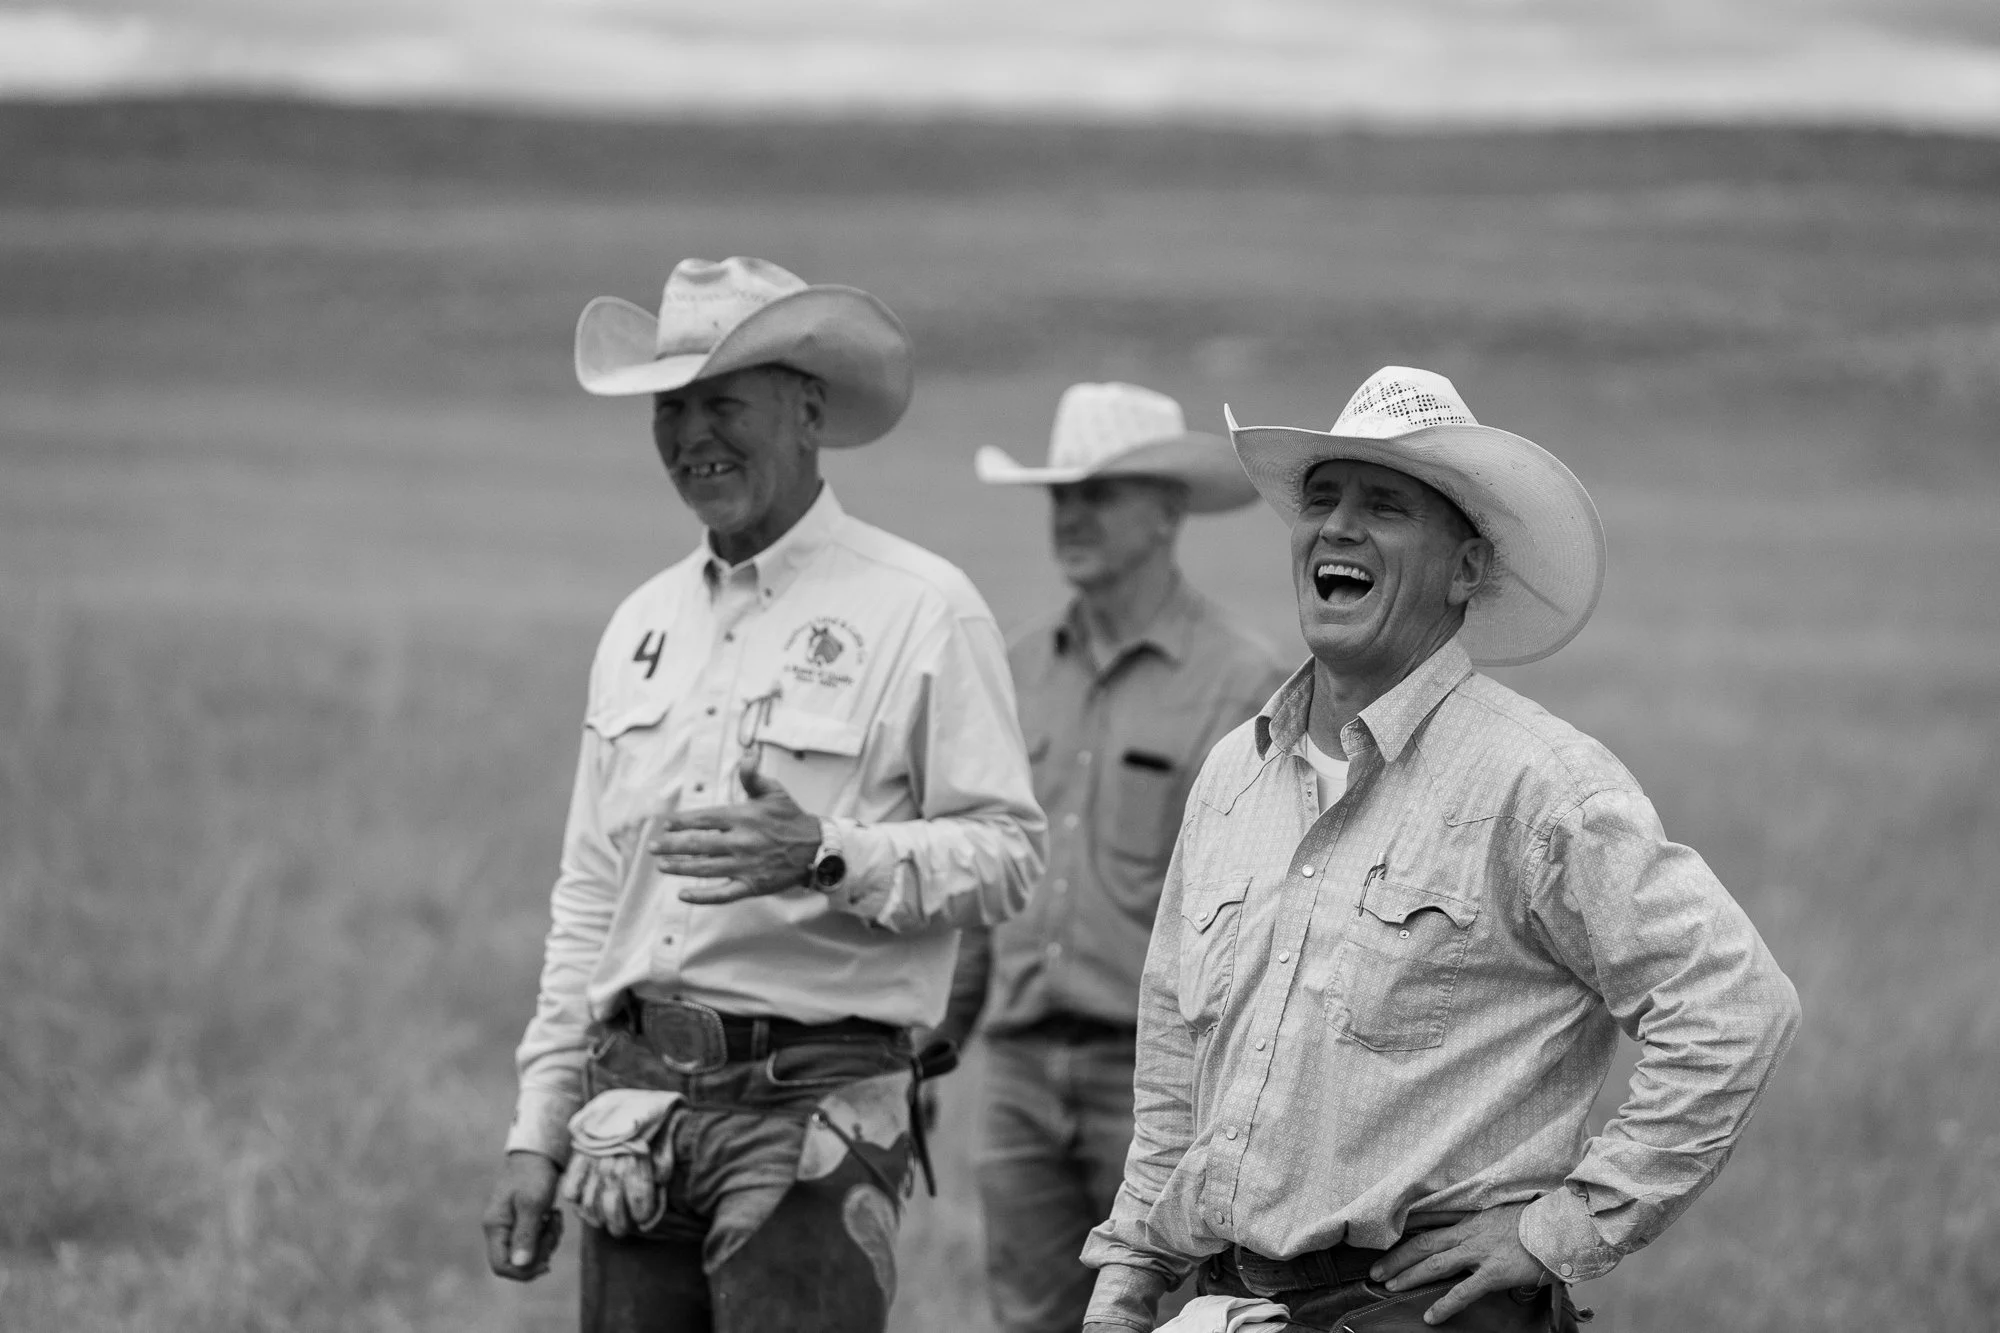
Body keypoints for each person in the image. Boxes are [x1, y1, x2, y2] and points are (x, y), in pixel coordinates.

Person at [1081, 367, 1802, 1332]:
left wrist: (1564, 1226)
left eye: (1385, 505)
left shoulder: (1539, 784)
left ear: (1465, 571)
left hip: (1429, 1311)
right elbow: (1176, 1059)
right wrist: (1127, 1276)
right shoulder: (1234, 775)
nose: (1338, 527)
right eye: (1322, 499)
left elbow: (1735, 1006)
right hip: (1234, 1301)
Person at [480, 255, 1047, 1333]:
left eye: (723, 402)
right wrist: (536, 1130)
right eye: (672, 406)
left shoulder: (921, 609)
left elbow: (1009, 855)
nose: (693, 434)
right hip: (633, 1098)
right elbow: (591, 899)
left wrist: (826, 852)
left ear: (807, 412)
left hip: (814, 1100)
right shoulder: (640, 626)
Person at [943, 383, 1289, 1333]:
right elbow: (987, 871)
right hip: (1016, 1069)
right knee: (1028, 1318)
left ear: (1169, 509)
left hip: (1158, 1085)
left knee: (1166, 1320)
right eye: (1060, 495)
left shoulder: (1241, 680)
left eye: (1097, 494)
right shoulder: (1015, 668)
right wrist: (940, 1037)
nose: (1070, 516)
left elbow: (1258, 917)